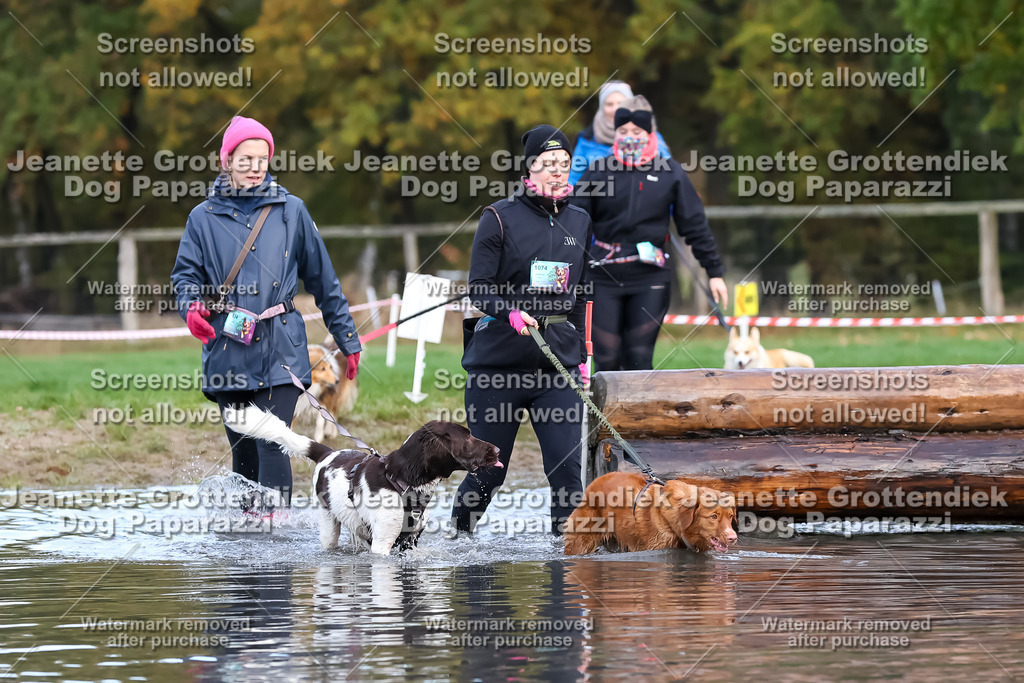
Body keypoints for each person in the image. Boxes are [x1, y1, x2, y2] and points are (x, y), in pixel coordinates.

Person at [171, 115, 362, 513]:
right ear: (227, 160)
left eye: (263, 159)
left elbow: (323, 280)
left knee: (273, 441)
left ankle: (274, 539)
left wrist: (348, 338)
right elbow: (185, 276)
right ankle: (248, 542)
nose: (256, 167)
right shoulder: (201, 218)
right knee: (244, 453)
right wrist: (190, 307)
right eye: (246, 159)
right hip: (228, 349)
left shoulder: (292, 211)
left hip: (281, 348)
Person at [454, 124, 593, 536]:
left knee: (567, 472)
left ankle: (566, 561)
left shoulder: (581, 220)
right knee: (489, 472)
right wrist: (509, 312)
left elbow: (583, 293)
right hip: (498, 366)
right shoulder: (498, 218)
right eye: (547, 164)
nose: (556, 172)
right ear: (529, 169)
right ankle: (460, 539)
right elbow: (479, 289)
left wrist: (582, 357)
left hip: (557, 363)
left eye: (564, 164)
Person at [572, 96, 727, 372]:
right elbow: (574, 221)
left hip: (649, 276)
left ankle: (637, 416)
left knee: (638, 359)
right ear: (614, 134)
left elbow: (693, 224)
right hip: (602, 274)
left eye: (636, 132)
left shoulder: (670, 172)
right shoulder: (597, 171)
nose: (629, 137)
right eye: (623, 132)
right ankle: (605, 416)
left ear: (650, 134)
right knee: (606, 359)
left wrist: (714, 271)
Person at [567, 81, 672, 186]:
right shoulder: (586, 139)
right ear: (602, 108)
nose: (615, 109)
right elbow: (574, 181)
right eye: (609, 104)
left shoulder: (652, 138)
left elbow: (668, 179)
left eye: (621, 103)